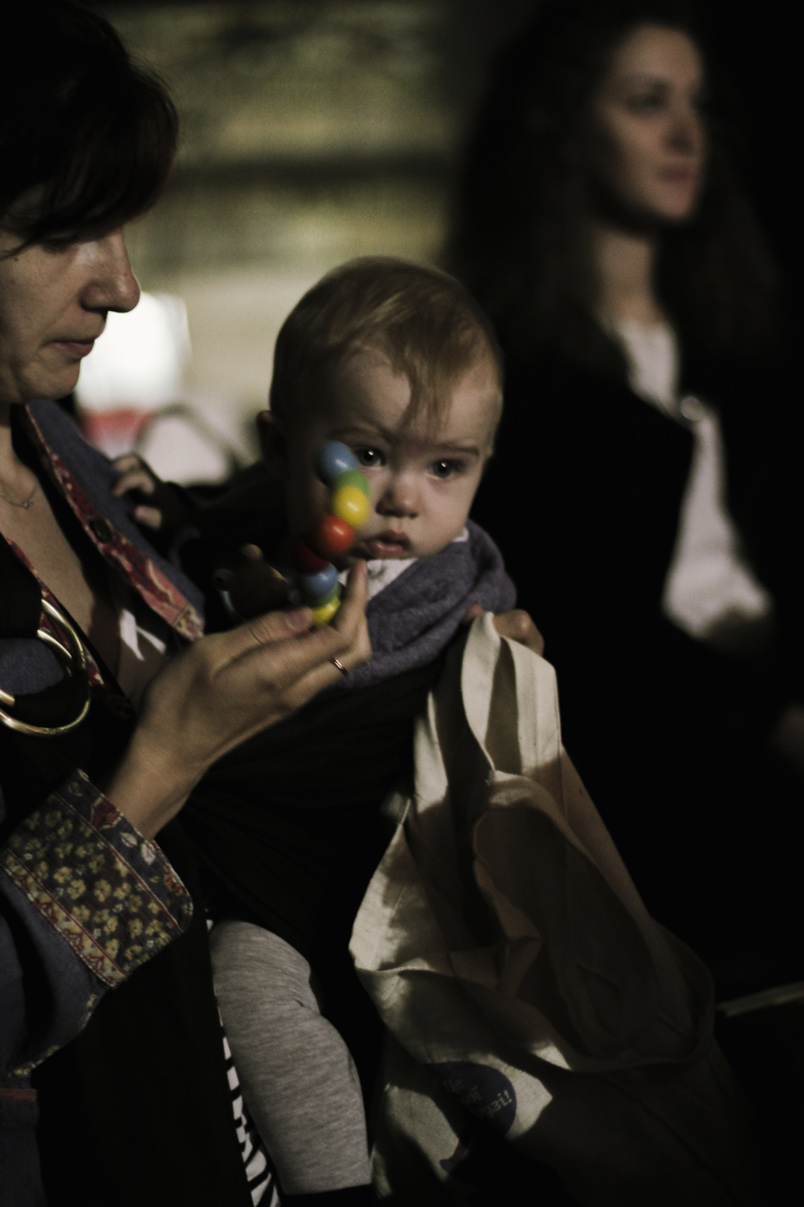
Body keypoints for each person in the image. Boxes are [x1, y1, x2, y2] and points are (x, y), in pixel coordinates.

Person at [0, 5, 369, 1205]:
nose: (121, 284)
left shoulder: (56, 447)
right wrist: (160, 763)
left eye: (121, 226)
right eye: (68, 230)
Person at [451, 0, 802, 997]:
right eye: (649, 102)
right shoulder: (513, 367)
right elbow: (592, 623)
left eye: (697, 104)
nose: (687, 134)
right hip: (663, 766)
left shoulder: (745, 339)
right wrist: (772, 717)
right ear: (566, 126)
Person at [152, 257, 519, 1204]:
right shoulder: (264, 525)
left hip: (396, 885)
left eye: (447, 467)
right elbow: (229, 545)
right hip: (273, 887)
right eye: (366, 453)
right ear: (281, 449)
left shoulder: (455, 587)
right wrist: (212, 547)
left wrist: (501, 658)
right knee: (243, 985)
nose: (403, 497)